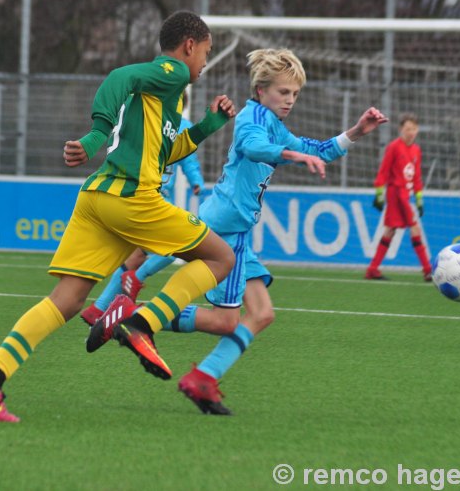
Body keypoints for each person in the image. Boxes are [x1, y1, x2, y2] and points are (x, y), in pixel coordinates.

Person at [0, 10, 237, 423]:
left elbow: (168, 151)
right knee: (221, 258)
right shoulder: (173, 72)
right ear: (189, 46)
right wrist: (94, 135)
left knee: (67, 300)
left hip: (97, 198)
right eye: (206, 53)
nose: (204, 63)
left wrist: (210, 125)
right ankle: (142, 324)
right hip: (132, 198)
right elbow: (117, 78)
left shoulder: (166, 95)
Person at [95, 48, 388, 415]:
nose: (290, 101)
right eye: (284, 92)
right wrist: (294, 156)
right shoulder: (251, 117)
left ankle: (203, 376)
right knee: (225, 320)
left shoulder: (274, 124)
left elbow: (318, 148)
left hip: (236, 231)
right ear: (261, 89)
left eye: (295, 94)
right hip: (226, 229)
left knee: (262, 313)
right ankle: (134, 317)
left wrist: (357, 131)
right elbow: (253, 147)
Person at [79, 114, 205, 326]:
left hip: (152, 197)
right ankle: (135, 279)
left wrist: (195, 180)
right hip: (148, 198)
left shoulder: (179, 125)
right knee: (175, 246)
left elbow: (188, 158)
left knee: (137, 254)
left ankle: (98, 308)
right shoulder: (147, 116)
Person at [365, 113, 432, 281]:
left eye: (414, 129)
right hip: (396, 194)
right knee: (414, 228)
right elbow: (384, 170)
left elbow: (416, 176)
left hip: (406, 195)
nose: (411, 132)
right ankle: (428, 270)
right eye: (408, 128)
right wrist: (379, 194)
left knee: (390, 230)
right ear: (401, 129)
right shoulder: (394, 147)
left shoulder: (416, 150)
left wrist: (419, 198)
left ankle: (372, 269)